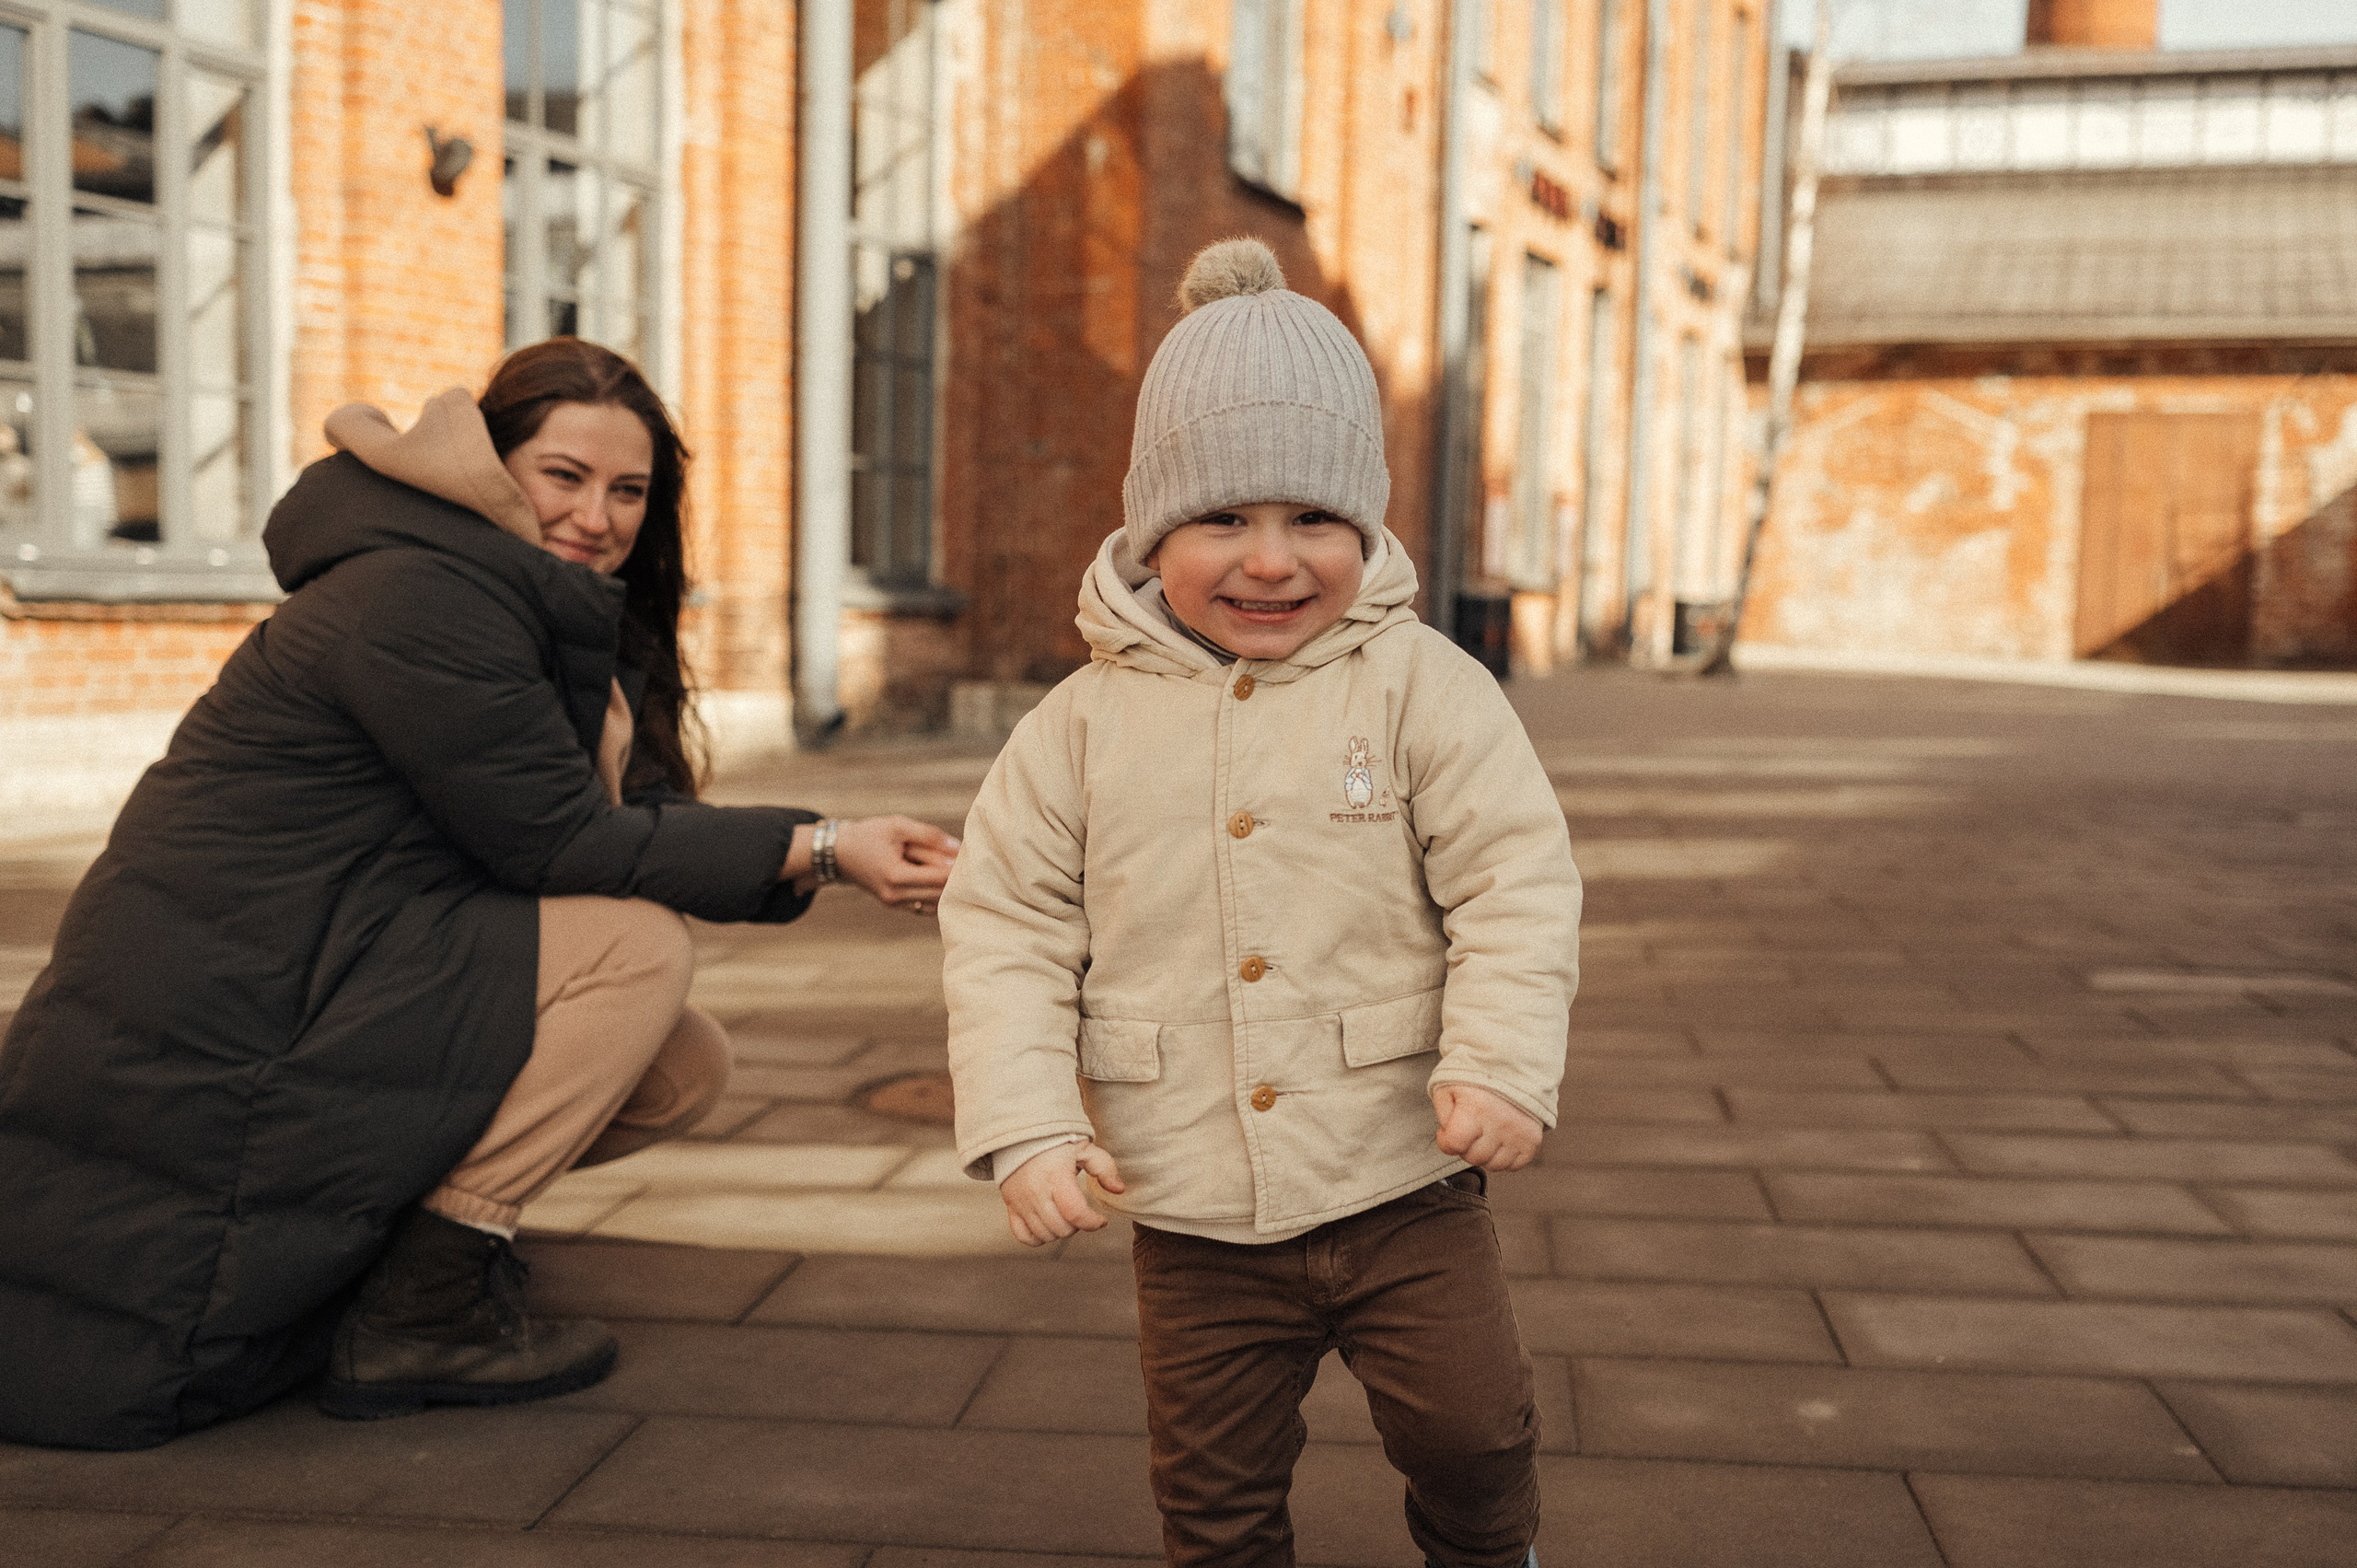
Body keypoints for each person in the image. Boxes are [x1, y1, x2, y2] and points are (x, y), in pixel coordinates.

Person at [0, 338, 957, 1451]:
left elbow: (621, 819)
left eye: (628, 490)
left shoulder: (527, 603)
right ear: (491, 468)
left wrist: (820, 844)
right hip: (229, 1012)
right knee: (632, 953)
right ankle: (423, 1310)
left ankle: (397, 1248)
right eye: (564, 475)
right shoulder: (425, 594)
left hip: (324, 964)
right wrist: (824, 845)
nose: (597, 515)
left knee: (677, 1066)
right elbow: (561, 843)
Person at [940, 239, 1580, 1568]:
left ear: (1369, 527)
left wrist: (1503, 1059)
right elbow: (1005, 923)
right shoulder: (1081, 724)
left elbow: (1514, 880)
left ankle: (1489, 1550)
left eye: (1314, 520)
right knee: (1214, 1490)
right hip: (1185, 1198)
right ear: (1150, 529)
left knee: (1473, 1429)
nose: (1273, 562)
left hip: (1402, 1170)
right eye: (1223, 520)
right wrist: (1026, 1121)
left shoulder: (1423, 687)